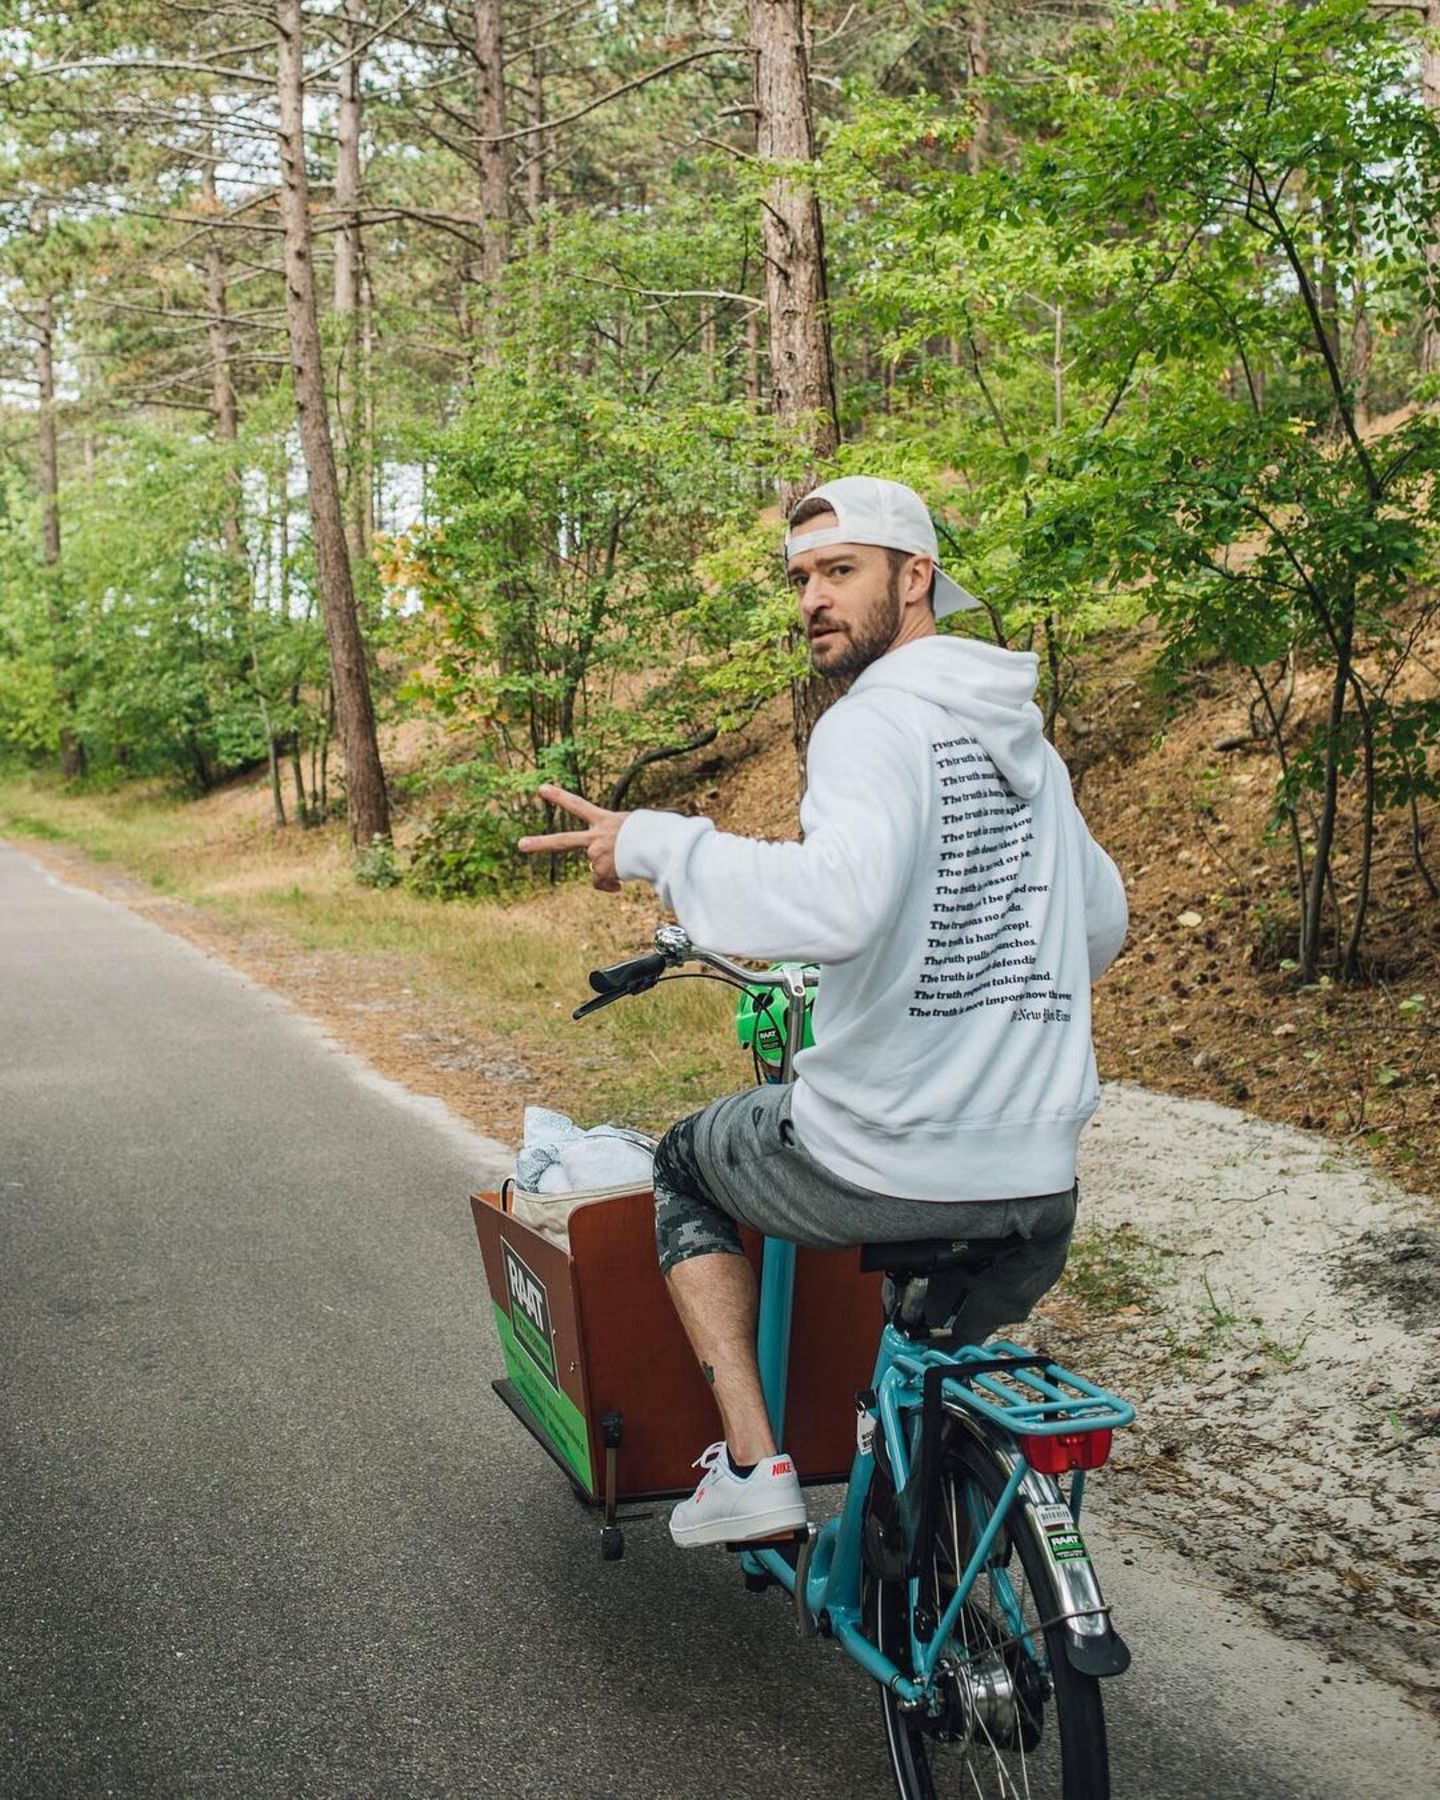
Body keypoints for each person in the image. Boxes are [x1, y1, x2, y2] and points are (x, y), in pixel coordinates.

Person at [518, 475, 1128, 1549]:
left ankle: (755, 1465)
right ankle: (920, 1502)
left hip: (888, 1162)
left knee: (686, 1163)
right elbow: (1097, 926)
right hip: (1039, 1188)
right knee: (923, 1345)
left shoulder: (872, 724)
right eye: (800, 577)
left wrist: (658, 842)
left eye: (840, 571)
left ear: (917, 575)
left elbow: (836, 903)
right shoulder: (1023, 743)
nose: (812, 597)